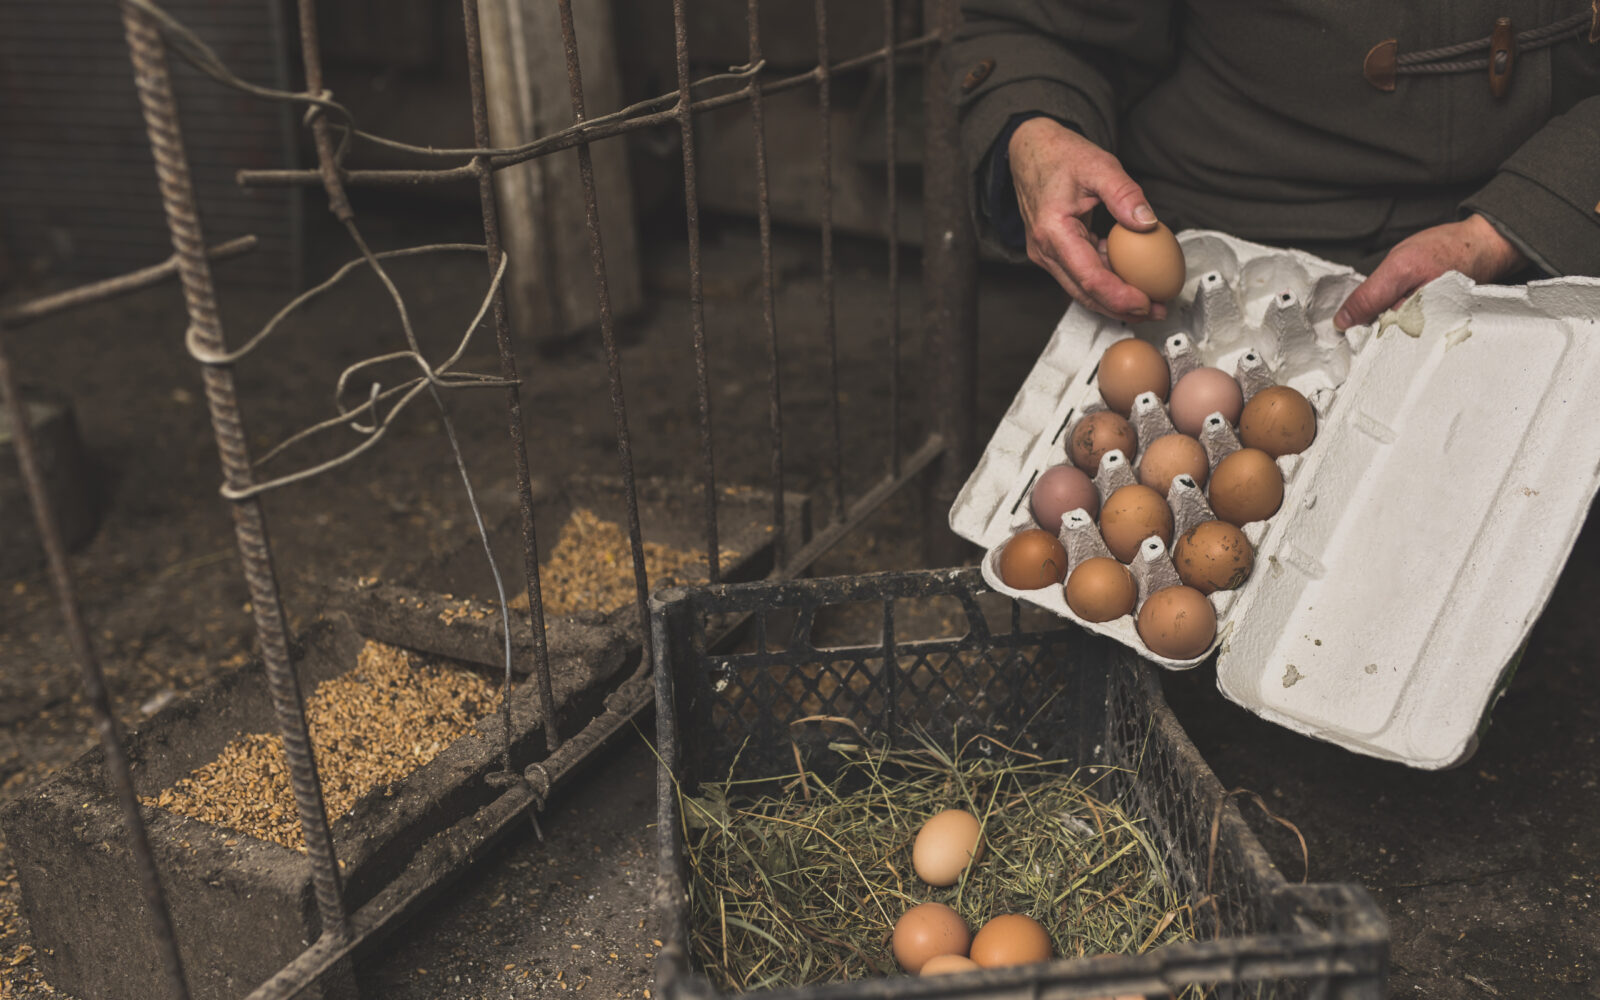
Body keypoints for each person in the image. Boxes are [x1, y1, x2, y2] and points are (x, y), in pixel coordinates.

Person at [949, 2, 1600, 328]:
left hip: (1559, 221)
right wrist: (1036, 127)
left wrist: (1513, 227)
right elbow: (1038, 25)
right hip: (1229, 236)